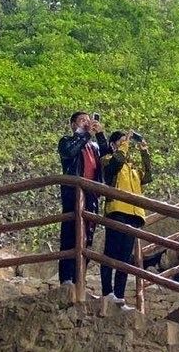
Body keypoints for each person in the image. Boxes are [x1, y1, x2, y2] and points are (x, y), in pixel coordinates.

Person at [99, 130, 152, 307]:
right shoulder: (108, 159)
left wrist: (144, 152)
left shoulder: (133, 168)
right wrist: (124, 145)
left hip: (134, 214)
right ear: (114, 145)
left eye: (126, 142)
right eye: (122, 142)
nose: (126, 144)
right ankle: (107, 292)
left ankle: (120, 296)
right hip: (117, 210)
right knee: (111, 252)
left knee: (125, 257)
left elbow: (148, 177)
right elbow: (116, 163)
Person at [57, 111, 107, 285]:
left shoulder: (93, 146)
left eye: (88, 120)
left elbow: (107, 158)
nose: (86, 122)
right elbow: (70, 152)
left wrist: (99, 134)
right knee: (70, 234)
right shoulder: (66, 141)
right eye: (82, 120)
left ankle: (80, 279)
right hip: (73, 194)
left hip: (91, 196)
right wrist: (85, 134)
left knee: (88, 237)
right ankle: (66, 278)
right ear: (73, 125)